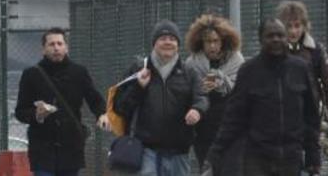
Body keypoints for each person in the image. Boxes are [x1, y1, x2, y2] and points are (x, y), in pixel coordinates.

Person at [206, 19, 321, 176]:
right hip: (257, 158)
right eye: (270, 36)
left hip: (291, 158)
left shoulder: (300, 68)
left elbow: (311, 116)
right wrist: (217, 151)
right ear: (261, 39)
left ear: (286, 38)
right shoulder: (249, 71)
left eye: (280, 35)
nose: (275, 39)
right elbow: (233, 117)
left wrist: (313, 157)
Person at [113, 20, 208, 176]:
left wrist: (197, 110)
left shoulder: (189, 72)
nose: (167, 42)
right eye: (162, 38)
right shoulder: (138, 69)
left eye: (172, 39)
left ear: (178, 44)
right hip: (146, 151)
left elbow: (202, 96)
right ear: (154, 43)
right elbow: (120, 106)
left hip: (180, 153)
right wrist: (139, 87)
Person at [14, 27, 106, 176]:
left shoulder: (79, 72)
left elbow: (94, 99)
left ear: (66, 47)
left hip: (70, 146)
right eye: (51, 44)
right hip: (42, 148)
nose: (56, 48)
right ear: (43, 49)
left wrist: (101, 114)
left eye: (59, 43)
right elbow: (20, 111)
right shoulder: (31, 74)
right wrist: (37, 114)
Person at [276, 1, 328, 153]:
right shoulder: (275, 51)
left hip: (311, 120)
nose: (293, 31)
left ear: (304, 26)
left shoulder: (316, 50)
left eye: (297, 25)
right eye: (289, 26)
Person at [183, 15, 244, 169]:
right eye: (208, 42)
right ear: (200, 43)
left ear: (223, 41)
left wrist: (221, 80)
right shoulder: (192, 64)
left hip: (231, 129)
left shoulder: (236, 61)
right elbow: (187, 95)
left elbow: (242, 91)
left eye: (216, 41)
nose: (212, 46)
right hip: (204, 130)